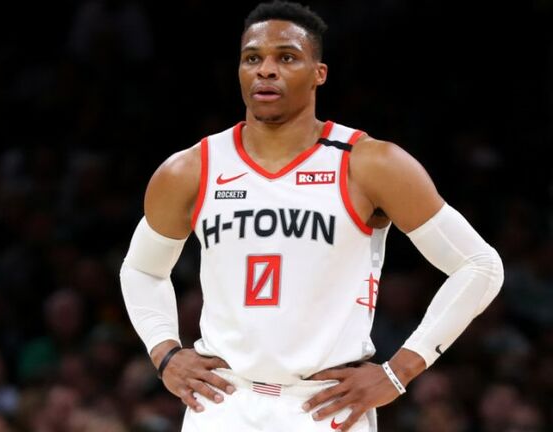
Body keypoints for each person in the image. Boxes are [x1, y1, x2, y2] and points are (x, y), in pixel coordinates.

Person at [119, 1, 504, 431]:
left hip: (324, 405)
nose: (266, 70)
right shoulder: (191, 168)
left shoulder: (370, 163)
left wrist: (398, 372)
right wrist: (165, 352)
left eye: (286, 57)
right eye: (252, 58)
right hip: (223, 402)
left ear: (319, 73)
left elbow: (480, 265)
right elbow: (141, 269)